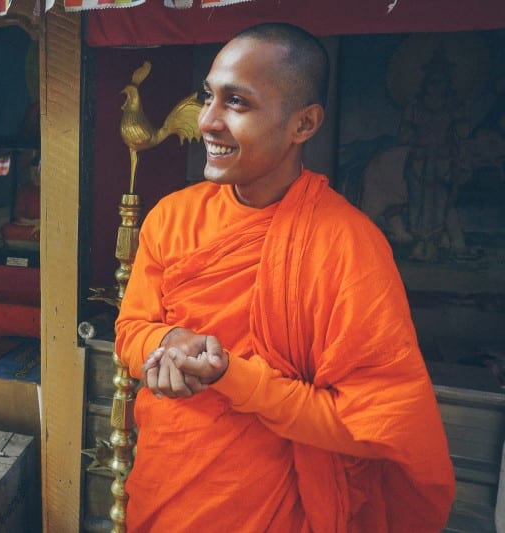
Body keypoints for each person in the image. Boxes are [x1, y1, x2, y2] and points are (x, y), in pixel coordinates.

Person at [114, 23, 456, 532]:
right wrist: (168, 343)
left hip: (279, 508)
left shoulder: (349, 246)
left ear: (304, 124)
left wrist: (235, 377)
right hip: (167, 488)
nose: (207, 121)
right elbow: (130, 332)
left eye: (237, 103)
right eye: (208, 96)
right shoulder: (171, 217)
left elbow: (371, 423)